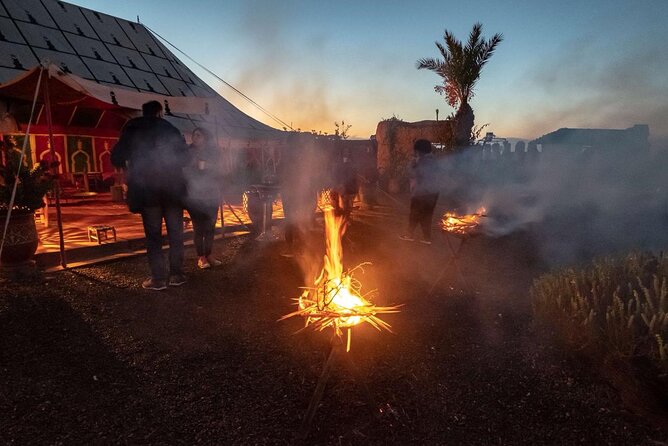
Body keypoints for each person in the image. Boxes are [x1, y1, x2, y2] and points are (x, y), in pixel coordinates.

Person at [111, 100, 188, 290]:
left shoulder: (133, 127)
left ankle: (159, 279)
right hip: (172, 190)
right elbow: (185, 157)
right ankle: (177, 275)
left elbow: (116, 156)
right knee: (176, 234)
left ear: (142, 112)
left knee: (153, 236)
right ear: (160, 112)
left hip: (148, 191)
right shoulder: (170, 128)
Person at [184, 127, 223, 269]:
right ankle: (201, 257)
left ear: (205, 138)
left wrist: (209, 166)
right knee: (199, 228)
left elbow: (220, 169)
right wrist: (195, 166)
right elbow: (183, 170)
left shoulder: (212, 152)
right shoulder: (188, 152)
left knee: (210, 227)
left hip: (211, 194)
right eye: (194, 135)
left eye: (199, 135)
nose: (196, 138)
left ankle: (209, 254)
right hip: (194, 195)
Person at [400, 139, 440, 245]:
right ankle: (427, 238)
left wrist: (412, 165)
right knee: (427, 215)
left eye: (416, 151)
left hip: (421, 193)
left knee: (414, 214)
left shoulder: (421, 162)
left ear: (420, 151)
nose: (415, 153)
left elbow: (413, 174)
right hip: (433, 193)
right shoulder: (434, 160)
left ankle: (409, 235)